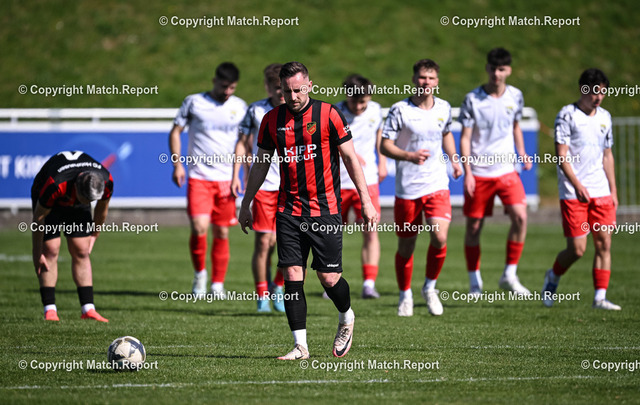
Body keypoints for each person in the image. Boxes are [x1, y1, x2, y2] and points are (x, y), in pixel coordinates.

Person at [238, 61, 377, 360]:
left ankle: (346, 316)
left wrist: (366, 200)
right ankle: (300, 346)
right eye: (287, 91)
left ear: (310, 86)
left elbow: (351, 158)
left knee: (329, 278)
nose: (293, 96)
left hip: (325, 210)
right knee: (292, 275)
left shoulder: (329, 114)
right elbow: (261, 162)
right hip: (288, 210)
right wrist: (246, 202)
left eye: (299, 90)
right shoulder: (271, 120)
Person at [381, 59, 463, 317]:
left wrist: (454, 159)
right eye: (422, 77)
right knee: (407, 246)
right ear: (414, 79)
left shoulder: (444, 108)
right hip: (408, 188)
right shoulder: (400, 110)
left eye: (431, 78)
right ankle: (405, 294)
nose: (426, 82)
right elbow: (385, 145)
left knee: (439, 237)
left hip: (437, 183)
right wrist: (409, 155)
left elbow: (446, 134)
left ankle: (429, 287)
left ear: (437, 82)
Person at [542, 68, 620, 310]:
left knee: (604, 244)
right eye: (594, 92)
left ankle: (600, 298)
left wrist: (613, 191)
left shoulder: (605, 117)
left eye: (602, 92)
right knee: (577, 250)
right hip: (573, 192)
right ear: (582, 89)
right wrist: (578, 185)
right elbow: (561, 156)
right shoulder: (567, 116)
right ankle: (552, 276)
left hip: (601, 191)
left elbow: (607, 155)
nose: (598, 97)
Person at [169, 62, 247, 298]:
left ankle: (218, 284)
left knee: (222, 232)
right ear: (214, 81)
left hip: (226, 180)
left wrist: (240, 174)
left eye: (232, 87)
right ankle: (200, 275)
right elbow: (175, 132)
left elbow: (243, 143)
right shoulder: (194, 102)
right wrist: (177, 164)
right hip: (199, 177)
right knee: (199, 227)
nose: (227, 92)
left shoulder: (240, 107)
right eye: (224, 86)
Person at [459, 47, 532, 296]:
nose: (496, 74)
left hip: (507, 170)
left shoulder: (516, 96)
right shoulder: (473, 99)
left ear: (508, 70)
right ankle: (474, 282)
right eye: (493, 69)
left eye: (501, 69)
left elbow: (515, 126)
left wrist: (522, 152)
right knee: (474, 228)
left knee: (521, 217)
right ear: (487, 69)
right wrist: (468, 171)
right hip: (480, 172)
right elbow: (465, 137)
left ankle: (509, 275)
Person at [31, 151, 113, 322]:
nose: (89, 203)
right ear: (76, 187)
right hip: (50, 202)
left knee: (82, 249)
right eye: (86, 200)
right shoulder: (55, 184)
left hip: (75, 199)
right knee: (50, 249)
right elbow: (39, 218)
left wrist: (94, 234)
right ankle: (50, 310)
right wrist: (37, 252)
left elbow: (101, 209)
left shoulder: (106, 181)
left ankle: (88, 309)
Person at [231, 63, 286, 313]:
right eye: (276, 88)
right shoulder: (255, 111)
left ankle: (279, 287)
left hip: (291, 187)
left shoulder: (297, 111)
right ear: (267, 87)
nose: (281, 93)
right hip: (264, 186)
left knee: (286, 243)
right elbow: (242, 143)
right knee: (264, 242)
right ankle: (262, 294)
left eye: (284, 88)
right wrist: (236, 176)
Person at [336, 74, 387, 299]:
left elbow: (379, 136)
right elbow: (324, 143)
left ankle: (368, 283)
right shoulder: (334, 113)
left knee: (370, 231)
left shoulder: (375, 111)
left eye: (362, 102)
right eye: (354, 102)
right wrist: (349, 154)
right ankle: (333, 281)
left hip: (368, 182)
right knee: (332, 235)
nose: (358, 107)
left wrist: (382, 162)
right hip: (337, 182)